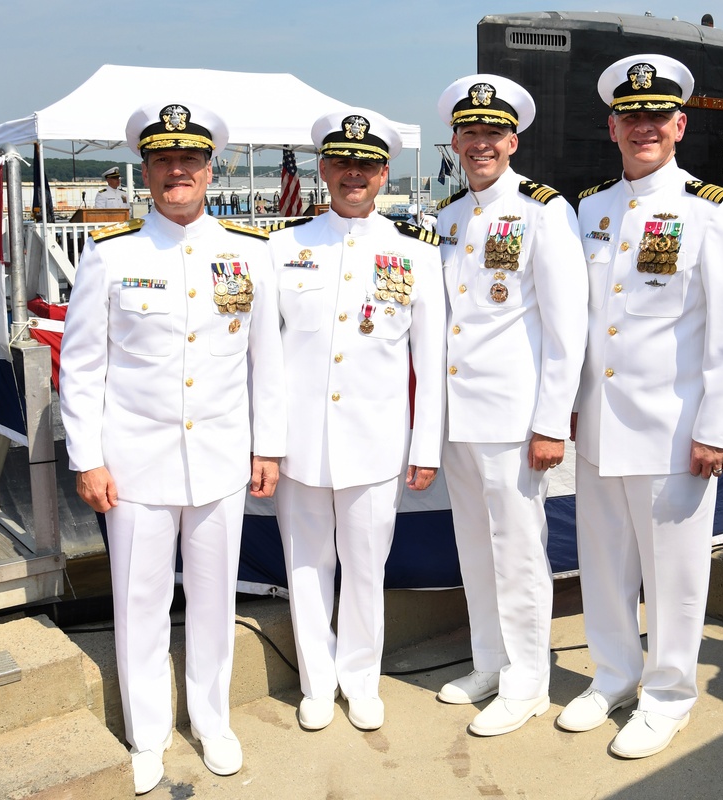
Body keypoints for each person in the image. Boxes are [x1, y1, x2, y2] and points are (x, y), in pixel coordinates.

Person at [59, 101, 286, 794]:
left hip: (219, 460)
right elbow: (82, 364)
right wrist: (86, 457)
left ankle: (213, 720)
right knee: (140, 603)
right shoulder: (112, 254)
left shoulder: (249, 252)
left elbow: (265, 362)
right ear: (146, 171)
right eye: (163, 161)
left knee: (215, 601)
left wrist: (267, 448)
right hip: (134, 465)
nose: (177, 171)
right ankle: (148, 733)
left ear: (209, 169)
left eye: (189, 160)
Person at [564, 54, 723, 758]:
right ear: (612, 127)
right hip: (598, 428)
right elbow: (583, 324)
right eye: (630, 116)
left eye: (657, 116)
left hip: (675, 432)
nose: (643, 127)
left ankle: (670, 693)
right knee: (605, 562)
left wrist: (718, 429)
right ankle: (615, 674)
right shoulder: (591, 209)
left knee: (675, 575)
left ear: (679, 124)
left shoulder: (712, 212)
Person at [268, 107, 446, 733]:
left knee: (367, 568)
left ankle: (361, 680)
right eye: (342, 163)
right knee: (306, 566)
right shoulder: (285, 248)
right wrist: (266, 443)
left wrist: (425, 447)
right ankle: (317, 682)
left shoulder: (414, 254)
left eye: (365, 165)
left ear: (384, 174)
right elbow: (265, 355)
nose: (353, 175)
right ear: (323, 170)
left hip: (375, 444)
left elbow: (431, 357)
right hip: (300, 446)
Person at [433, 74, 586, 736]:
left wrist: (551, 421)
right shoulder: (447, 218)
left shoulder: (543, 209)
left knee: (519, 552)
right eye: (470, 134)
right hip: (458, 419)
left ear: (512, 139)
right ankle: (489, 662)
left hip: (514, 420)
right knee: (474, 547)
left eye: (492, 134)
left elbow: (566, 325)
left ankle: (527, 680)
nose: (481, 144)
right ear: (455, 142)